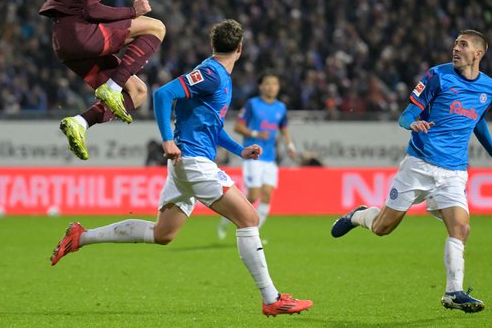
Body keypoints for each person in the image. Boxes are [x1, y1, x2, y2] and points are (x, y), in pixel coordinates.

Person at [50, 19, 312, 317]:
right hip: (193, 162)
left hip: (186, 164)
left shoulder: (214, 73)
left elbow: (211, 126)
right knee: (249, 218)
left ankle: (80, 237)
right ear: (240, 49)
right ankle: (271, 298)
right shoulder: (213, 74)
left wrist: (240, 150)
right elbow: (163, 95)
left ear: (215, 46)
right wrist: (167, 139)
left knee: (163, 233)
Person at [331, 30, 492, 313]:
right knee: (382, 228)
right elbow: (407, 114)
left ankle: (454, 292)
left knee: (461, 228)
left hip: (454, 172)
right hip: (419, 165)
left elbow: (478, 121)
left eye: (463, 44)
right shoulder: (438, 76)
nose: (456, 48)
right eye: (455, 43)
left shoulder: (489, 88)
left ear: (478, 53)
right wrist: (412, 124)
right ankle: (359, 215)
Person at [39, 0, 166, 160]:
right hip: (80, 33)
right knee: (156, 27)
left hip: (65, 43)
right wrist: (133, 11)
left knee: (139, 93)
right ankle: (112, 87)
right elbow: (92, 10)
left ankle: (80, 123)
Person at [217, 72, 297, 239]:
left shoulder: (280, 108)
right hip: (254, 157)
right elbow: (238, 127)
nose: (271, 87)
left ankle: (255, 234)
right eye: (267, 83)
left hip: (270, 159)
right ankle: (226, 218)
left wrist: (290, 145)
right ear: (261, 86)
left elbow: (284, 128)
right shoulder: (252, 104)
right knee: (253, 196)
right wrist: (256, 133)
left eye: (274, 84)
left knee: (267, 196)